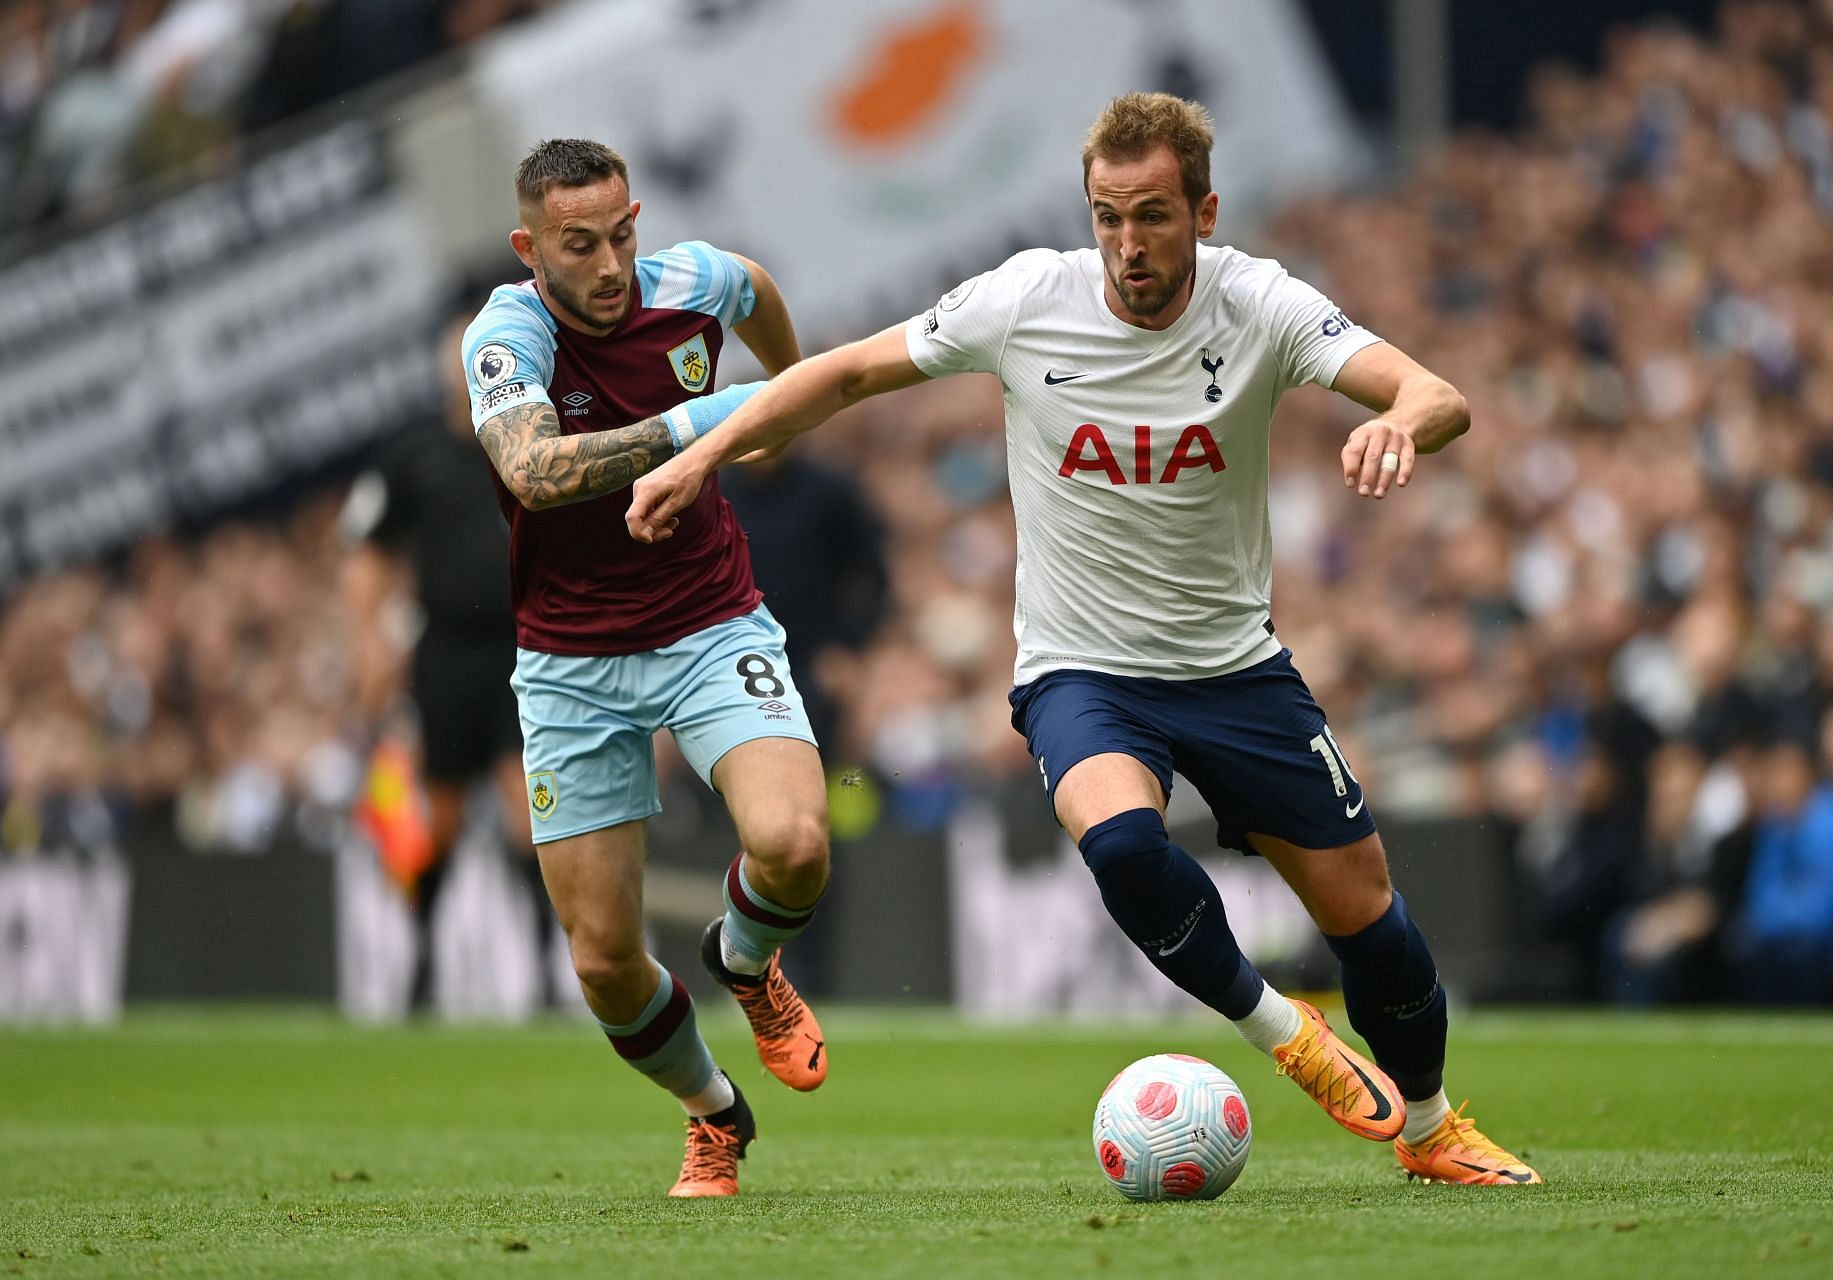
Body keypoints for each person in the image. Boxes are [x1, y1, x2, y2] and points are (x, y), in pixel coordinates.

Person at [628, 93, 1538, 1186]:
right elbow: (847, 371)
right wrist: (701, 455)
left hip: (1237, 669)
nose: (1126, 243)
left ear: (1205, 210)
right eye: (1107, 215)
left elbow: (1437, 394)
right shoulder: (1027, 299)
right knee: (1121, 843)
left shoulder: (1261, 303)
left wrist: (1395, 420)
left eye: (1152, 216)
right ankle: (1282, 1031)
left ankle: (1435, 1129)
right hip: (1083, 671)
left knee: (1370, 918)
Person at [463, 138, 834, 1198]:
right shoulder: (504, 334)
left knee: (797, 841)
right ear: (531, 246)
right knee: (606, 962)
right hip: (570, 661)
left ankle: (745, 957)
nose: (613, 262)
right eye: (581, 244)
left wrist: (779, 400)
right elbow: (535, 472)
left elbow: (756, 292)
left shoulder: (691, 280)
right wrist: (713, 421)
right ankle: (714, 1111)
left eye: (623, 232)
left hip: (711, 618)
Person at [343, 307, 559, 1015]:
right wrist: (372, 641)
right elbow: (367, 551)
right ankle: (424, 959)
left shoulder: (532, 442)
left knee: (524, 808)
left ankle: (544, 972)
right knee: (439, 816)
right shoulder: (410, 457)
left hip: (519, 646)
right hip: (442, 651)